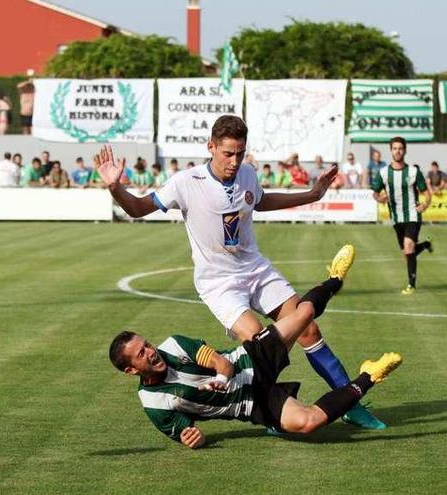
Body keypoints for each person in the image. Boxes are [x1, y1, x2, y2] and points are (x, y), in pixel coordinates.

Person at [94, 115, 386, 429]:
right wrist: (115, 188)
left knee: (308, 330)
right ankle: (274, 415)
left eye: (240, 153)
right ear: (211, 147)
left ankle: (350, 404)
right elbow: (137, 209)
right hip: (219, 284)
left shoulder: (246, 174)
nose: (235, 161)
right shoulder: (185, 182)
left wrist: (312, 195)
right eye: (228, 153)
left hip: (255, 268)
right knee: (259, 343)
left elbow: (260, 201)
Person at [109, 249, 403, 448]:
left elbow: (221, 364)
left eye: (146, 344)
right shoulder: (153, 405)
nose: (150, 351)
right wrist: (192, 438)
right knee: (308, 423)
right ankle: (369, 375)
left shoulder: (173, 345)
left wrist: (222, 380)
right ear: (131, 370)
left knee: (303, 317)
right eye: (141, 354)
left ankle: (334, 278)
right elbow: (186, 432)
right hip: (251, 405)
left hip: (250, 361)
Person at [370, 138, 432, 295]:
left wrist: (424, 205)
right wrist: (380, 199)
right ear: (391, 151)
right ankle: (424, 245)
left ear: (405, 150)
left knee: (409, 246)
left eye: (400, 148)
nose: (397, 151)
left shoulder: (413, 172)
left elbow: (426, 193)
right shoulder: (384, 173)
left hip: (412, 215)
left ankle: (411, 285)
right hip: (396, 218)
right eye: (395, 148)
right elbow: (375, 194)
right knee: (407, 252)